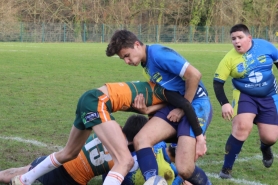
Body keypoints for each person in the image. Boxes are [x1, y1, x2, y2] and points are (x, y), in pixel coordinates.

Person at [10, 81, 200, 185]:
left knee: (68, 152)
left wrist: (147, 111)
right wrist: (199, 136)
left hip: (90, 99)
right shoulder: (173, 95)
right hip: (96, 105)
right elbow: (186, 104)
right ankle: (25, 178)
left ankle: (25, 180)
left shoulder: (114, 128)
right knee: (124, 161)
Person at [106, 30, 213, 185]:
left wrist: (183, 108)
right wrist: (149, 110)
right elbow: (167, 95)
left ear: (137, 45)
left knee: (184, 169)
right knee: (141, 140)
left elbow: (194, 75)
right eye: (123, 59)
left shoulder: (158, 54)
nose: (127, 61)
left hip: (196, 104)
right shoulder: (146, 65)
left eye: (127, 56)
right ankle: (154, 181)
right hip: (175, 105)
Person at [3, 114, 186, 185]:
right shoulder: (124, 160)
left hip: (60, 161)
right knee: (19, 175)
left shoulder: (107, 129)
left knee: (21, 171)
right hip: (68, 180)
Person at [213, 23, 278, 179]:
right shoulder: (229, 59)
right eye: (233, 39)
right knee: (242, 126)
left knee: (270, 137)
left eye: (240, 37)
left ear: (249, 38)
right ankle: (226, 169)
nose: (236, 41)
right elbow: (217, 83)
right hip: (245, 95)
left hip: (269, 95)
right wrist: (225, 103)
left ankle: (265, 147)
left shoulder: (266, 47)